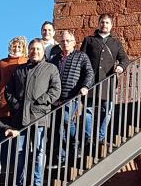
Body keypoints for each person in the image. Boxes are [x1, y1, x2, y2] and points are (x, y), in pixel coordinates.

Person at [5, 40, 60, 186]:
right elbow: (9, 91)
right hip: (20, 119)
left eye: (38, 49)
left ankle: (36, 183)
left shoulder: (50, 68)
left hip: (39, 117)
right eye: (32, 49)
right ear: (28, 51)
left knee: (38, 151)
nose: (35, 51)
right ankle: (18, 184)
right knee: (20, 152)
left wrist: (40, 102)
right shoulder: (19, 70)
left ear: (43, 51)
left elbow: (55, 90)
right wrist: (17, 106)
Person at [81, 14, 129, 143]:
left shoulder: (116, 42)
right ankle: (88, 137)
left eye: (107, 23)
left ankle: (101, 137)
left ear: (111, 25)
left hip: (107, 81)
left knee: (107, 110)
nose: (104, 25)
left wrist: (120, 67)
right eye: (102, 22)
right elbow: (82, 60)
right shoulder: (89, 40)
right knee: (88, 110)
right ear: (98, 23)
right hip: (90, 81)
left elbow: (124, 59)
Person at [48, 30, 95, 160]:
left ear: (74, 42)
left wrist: (85, 87)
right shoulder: (54, 59)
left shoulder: (81, 56)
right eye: (62, 41)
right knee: (58, 128)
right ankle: (63, 155)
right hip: (55, 98)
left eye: (68, 40)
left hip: (71, 96)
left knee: (66, 120)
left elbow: (89, 73)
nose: (65, 43)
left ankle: (75, 143)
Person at [0, 36, 28, 167]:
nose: (16, 48)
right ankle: (5, 167)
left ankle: (18, 167)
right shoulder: (2, 63)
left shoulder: (26, 60)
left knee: (19, 139)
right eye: (14, 46)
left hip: (19, 105)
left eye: (19, 46)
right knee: (4, 139)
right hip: (3, 105)